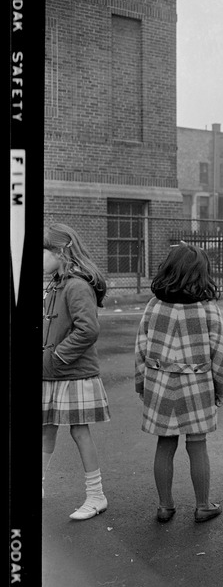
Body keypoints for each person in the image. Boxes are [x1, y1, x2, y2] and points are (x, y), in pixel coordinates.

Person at [135, 242, 223, 524]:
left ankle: (165, 506)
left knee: (165, 444)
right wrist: (220, 388)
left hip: (160, 382)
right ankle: (202, 505)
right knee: (197, 444)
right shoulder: (207, 309)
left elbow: (140, 347)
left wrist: (142, 383)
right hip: (198, 384)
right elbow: (220, 353)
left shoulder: (154, 306)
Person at [42, 223, 112, 520]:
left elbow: (88, 329)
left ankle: (96, 496)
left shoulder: (76, 285)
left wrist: (57, 356)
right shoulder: (56, 282)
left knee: (79, 431)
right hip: (53, 372)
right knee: (45, 428)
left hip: (71, 372)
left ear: (61, 251)